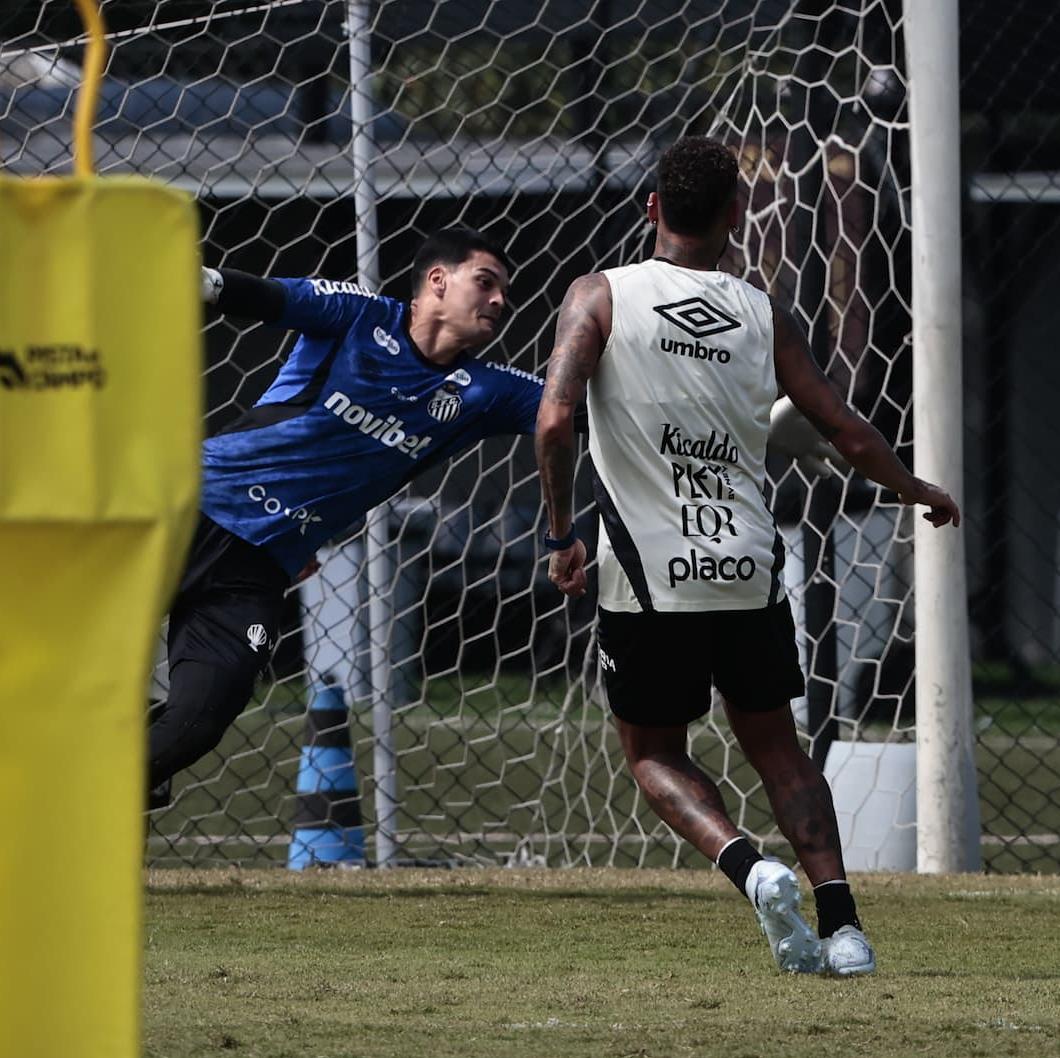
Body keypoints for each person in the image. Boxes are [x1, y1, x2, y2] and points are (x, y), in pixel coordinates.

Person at [149, 225, 846, 810]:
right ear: (436, 282)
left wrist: (760, 427)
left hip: (257, 572)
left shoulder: (483, 392)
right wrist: (185, 275)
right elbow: (256, 295)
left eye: (505, 289)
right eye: (486, 281)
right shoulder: (359, 315)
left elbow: (598, 413)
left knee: (198, 721)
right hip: (185, 513)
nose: (501, 299)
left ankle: (88, 800)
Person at [534, 135, 960, 976]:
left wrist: (560, 534)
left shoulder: (600, 296)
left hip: (649, 579)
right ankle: (846, 930)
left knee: (653, 753)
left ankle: (750, 866)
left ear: (651, 208)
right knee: (778, 748)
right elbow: (845, 430)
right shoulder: (765, 312)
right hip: (748, 569)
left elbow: (553, 420)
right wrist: (916, 490)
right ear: (736, 215)